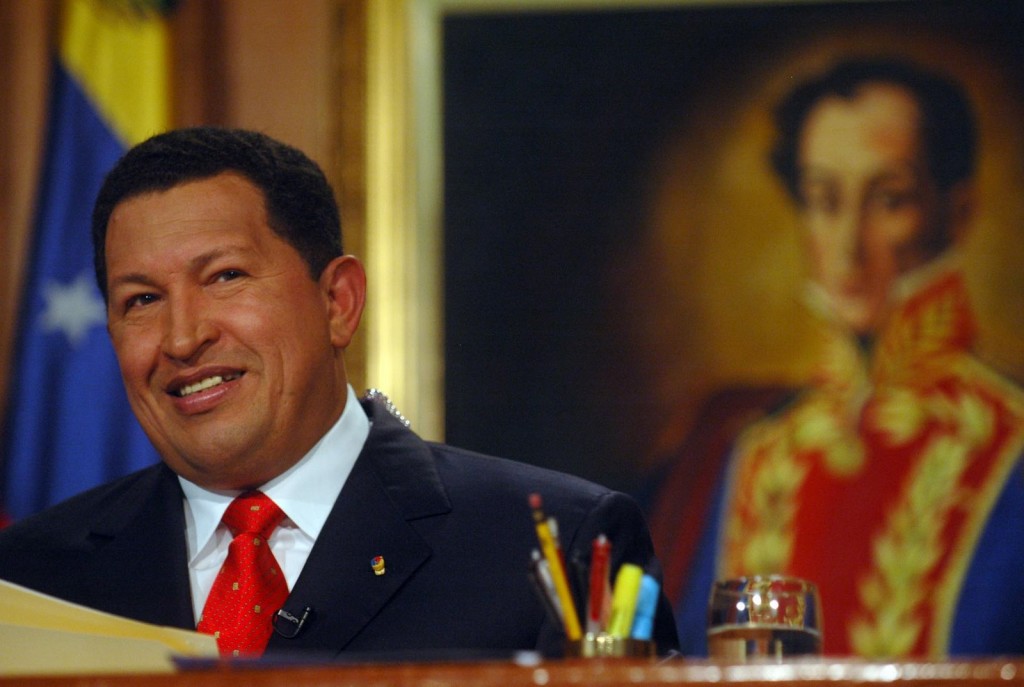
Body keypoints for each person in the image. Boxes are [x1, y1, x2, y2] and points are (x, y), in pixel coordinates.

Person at [0, 127, 679, 659]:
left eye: (226, 277)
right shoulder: (28, 578)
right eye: (142, 298)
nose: (181, 338)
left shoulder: (556, 550)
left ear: (338, 302)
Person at [646, 57, 1024, 657]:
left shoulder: (1009, 441)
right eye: (824, 200)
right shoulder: (755, 453)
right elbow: (696, 662)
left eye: (890, 199)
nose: (849, 244)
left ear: (956, 212)